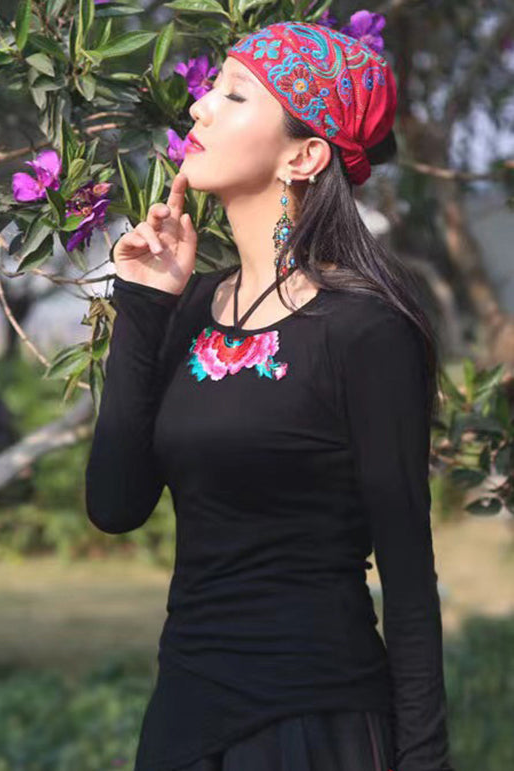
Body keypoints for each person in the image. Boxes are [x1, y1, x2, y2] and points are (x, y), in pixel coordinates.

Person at [85, 19, 456, 771]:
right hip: (183, 718)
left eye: (234, 95)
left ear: (304, 154)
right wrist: (145, 302)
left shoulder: (364, 330)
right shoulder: (192, 307)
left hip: (311, 724)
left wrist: (424, 760)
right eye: (210, 90)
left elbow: (410, 577)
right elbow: (115, 506)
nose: (198, 107)